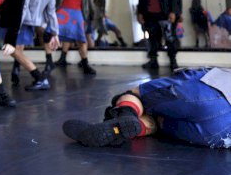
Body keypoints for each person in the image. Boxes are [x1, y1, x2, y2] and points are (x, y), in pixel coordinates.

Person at [62, 67, 231, 148]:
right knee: (159, 123)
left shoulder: (216, 71)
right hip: (219, 134)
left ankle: (126, 113)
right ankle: (128, 128)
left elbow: (189, 78)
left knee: (135, 94)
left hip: (208, 95)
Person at [10, 0, 60, 91]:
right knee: (18, 49)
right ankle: (17, 70)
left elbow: (23, 7)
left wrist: (15, 26)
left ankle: (39, 78)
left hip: (24, 22)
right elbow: (51, 11)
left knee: (14, 49)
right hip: (35, 23)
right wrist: (55, 32)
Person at [137, 0, 180, 70]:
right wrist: (140, 13)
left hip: (164, 13)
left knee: (169, 37)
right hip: (150, 14)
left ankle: (173, 61)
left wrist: (173, 12)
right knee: (152, 38)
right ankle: (153, 61)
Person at [55, 0, 97, 75]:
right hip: (63, 15)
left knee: (81, 40)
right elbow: (56, 3)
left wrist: (91, 15)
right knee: (62, 37)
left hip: (78, 16)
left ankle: (85, 63)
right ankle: (60, 59)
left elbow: (88, 4)